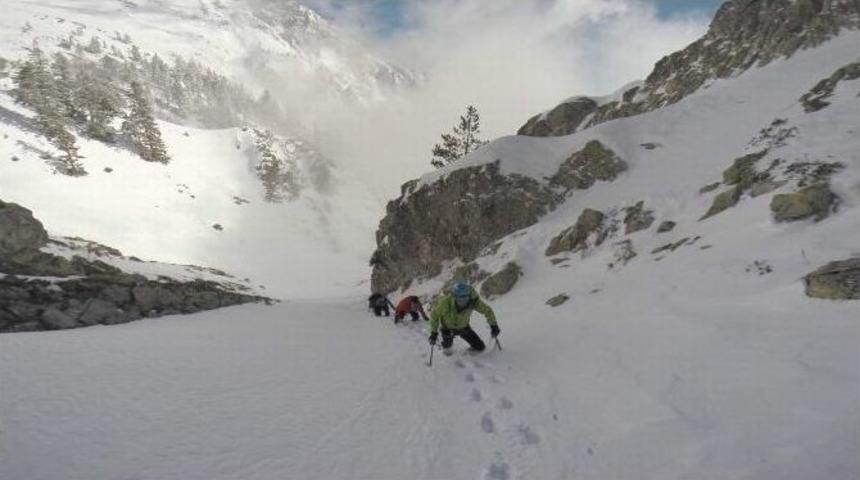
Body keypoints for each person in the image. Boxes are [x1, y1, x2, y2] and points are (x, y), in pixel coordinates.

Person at [428, 282, 500, 354]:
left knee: (480, 347)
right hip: (447, 328)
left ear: (469, 296)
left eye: (465, 298)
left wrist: (493, 325)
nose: (463, 301)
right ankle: (446, 345)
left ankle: (468, 351)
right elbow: (435, 316)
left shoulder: (473, 301)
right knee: (447, 350)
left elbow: (487, 311)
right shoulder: (446, 302)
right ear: (455, 297)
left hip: (463, 327)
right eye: (460, 298)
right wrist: (434, 333)